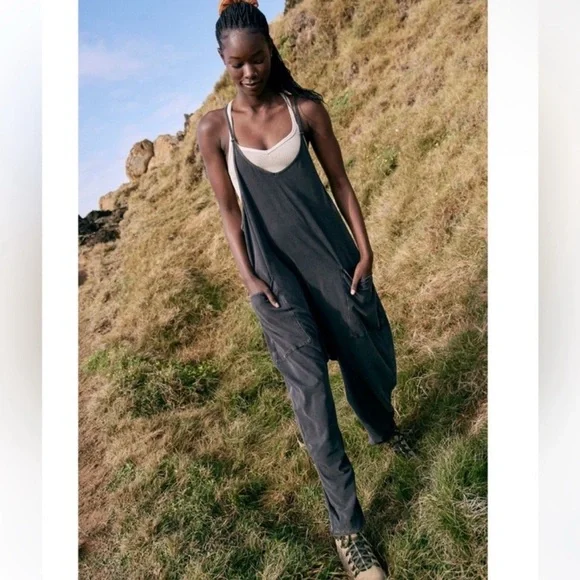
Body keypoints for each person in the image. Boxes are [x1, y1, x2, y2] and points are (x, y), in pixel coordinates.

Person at [197, 1, 414, 577]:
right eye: (237, 63)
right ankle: (350, 531)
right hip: (275, 282)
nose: (249, 72)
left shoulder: (306, 109)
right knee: (312, 398)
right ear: (222, 60)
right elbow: (228, 211)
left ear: (271, 49)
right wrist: (248, 276)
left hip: (333, 261)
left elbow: (339, 181)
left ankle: (384, 429)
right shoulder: (215, 129)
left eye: (258, 58)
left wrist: (364, 248)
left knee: (370, 358)